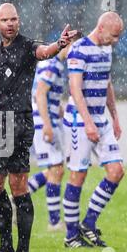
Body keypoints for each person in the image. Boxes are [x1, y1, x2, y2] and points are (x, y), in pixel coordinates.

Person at [0, 3, 78, 252]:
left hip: (18, 122)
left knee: (18, 186)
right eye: (5, 20)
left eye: (14, 19)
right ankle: (6, 249)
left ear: (18, 22)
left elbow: (45, 52)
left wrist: (59, 44)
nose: (10, 23)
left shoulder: (27, 46)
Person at [62, 12, 124, 248]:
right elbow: (75, 90)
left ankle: (88, 224)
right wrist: (87, 122)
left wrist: (115, 117)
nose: (116, 40)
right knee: (78, 175)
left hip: (101, 120)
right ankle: (70, 235)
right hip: (79, 121)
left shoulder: (106, 49)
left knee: (116, 171)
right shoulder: (79, 50)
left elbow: (107, 83)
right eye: (114, 35)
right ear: (100, 28)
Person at [30, 32, 81, 232]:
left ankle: (22, 193)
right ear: (66, 45)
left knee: (55, 169)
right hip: (45, 121)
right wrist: (47, 125)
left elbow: (46, 94)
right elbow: (40, 93)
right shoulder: (52, 64)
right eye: (74, 48)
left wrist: (58, 110)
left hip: (50, 118)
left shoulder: (57, 64)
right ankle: (53, 222)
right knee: (56, 169)